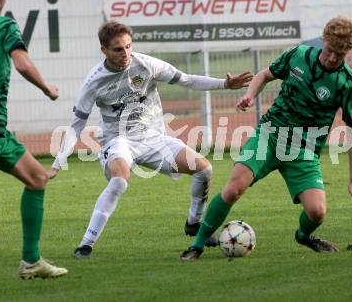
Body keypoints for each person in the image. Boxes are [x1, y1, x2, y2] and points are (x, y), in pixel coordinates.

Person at [47, 21, 253, 259]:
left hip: (153, 137)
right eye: (117, 49)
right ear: (103, 49)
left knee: (204, 169)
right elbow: (76, 126)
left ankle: (194, 223)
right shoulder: (93, 81)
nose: (125, 53)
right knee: (120, 181)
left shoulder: (146, 64)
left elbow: (186, 79)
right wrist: (57, 162)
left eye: (128, 46)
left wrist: (224, 84)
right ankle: (86, 244)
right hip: (118, 140)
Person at [180, 16, 352, 261]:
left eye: (340, 55)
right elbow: (264, 74)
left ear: (349, 51)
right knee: (233, 189)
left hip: (303, 149)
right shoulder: (298, 55)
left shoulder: (348, 83)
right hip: (269, 135)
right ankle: (197, 245)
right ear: (323, 40)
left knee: (317, 212)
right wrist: (249, 95)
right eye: (330, 50)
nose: (332, 58)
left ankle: (303, 236)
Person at [0, 0, 68, 279]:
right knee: (37, 179)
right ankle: (30, 261)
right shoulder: (3, 26)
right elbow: (22, 63)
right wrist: (46, 89)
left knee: (37, 176)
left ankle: (32, 261)